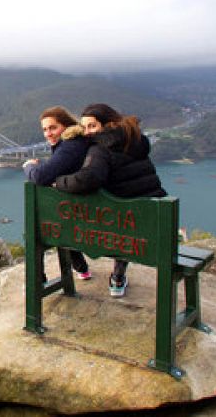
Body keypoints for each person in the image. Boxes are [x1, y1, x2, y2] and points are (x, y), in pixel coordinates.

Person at [54, 103, 167, 297]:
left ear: (109, 125)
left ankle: (80, 268)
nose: (87, 133)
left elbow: (87, 179)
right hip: (152, 225)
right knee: (126, 217)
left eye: (93, 126)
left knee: (62, 219)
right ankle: (118, 276)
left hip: (121, 230)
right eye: (84, 127)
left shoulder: (101, 148)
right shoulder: (135, 141)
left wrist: (60, 181)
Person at [23, 105, 92, 280]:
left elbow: (39, 176)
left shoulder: (71, 146)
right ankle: (81, 268)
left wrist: (29, 166)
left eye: (53, 128)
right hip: (86, 208)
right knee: (60, 217)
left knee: (39, 226)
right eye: (45, 130)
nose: (48, 134)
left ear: (66, 126)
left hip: (82, 212)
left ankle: (38, 278)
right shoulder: (77, 142)